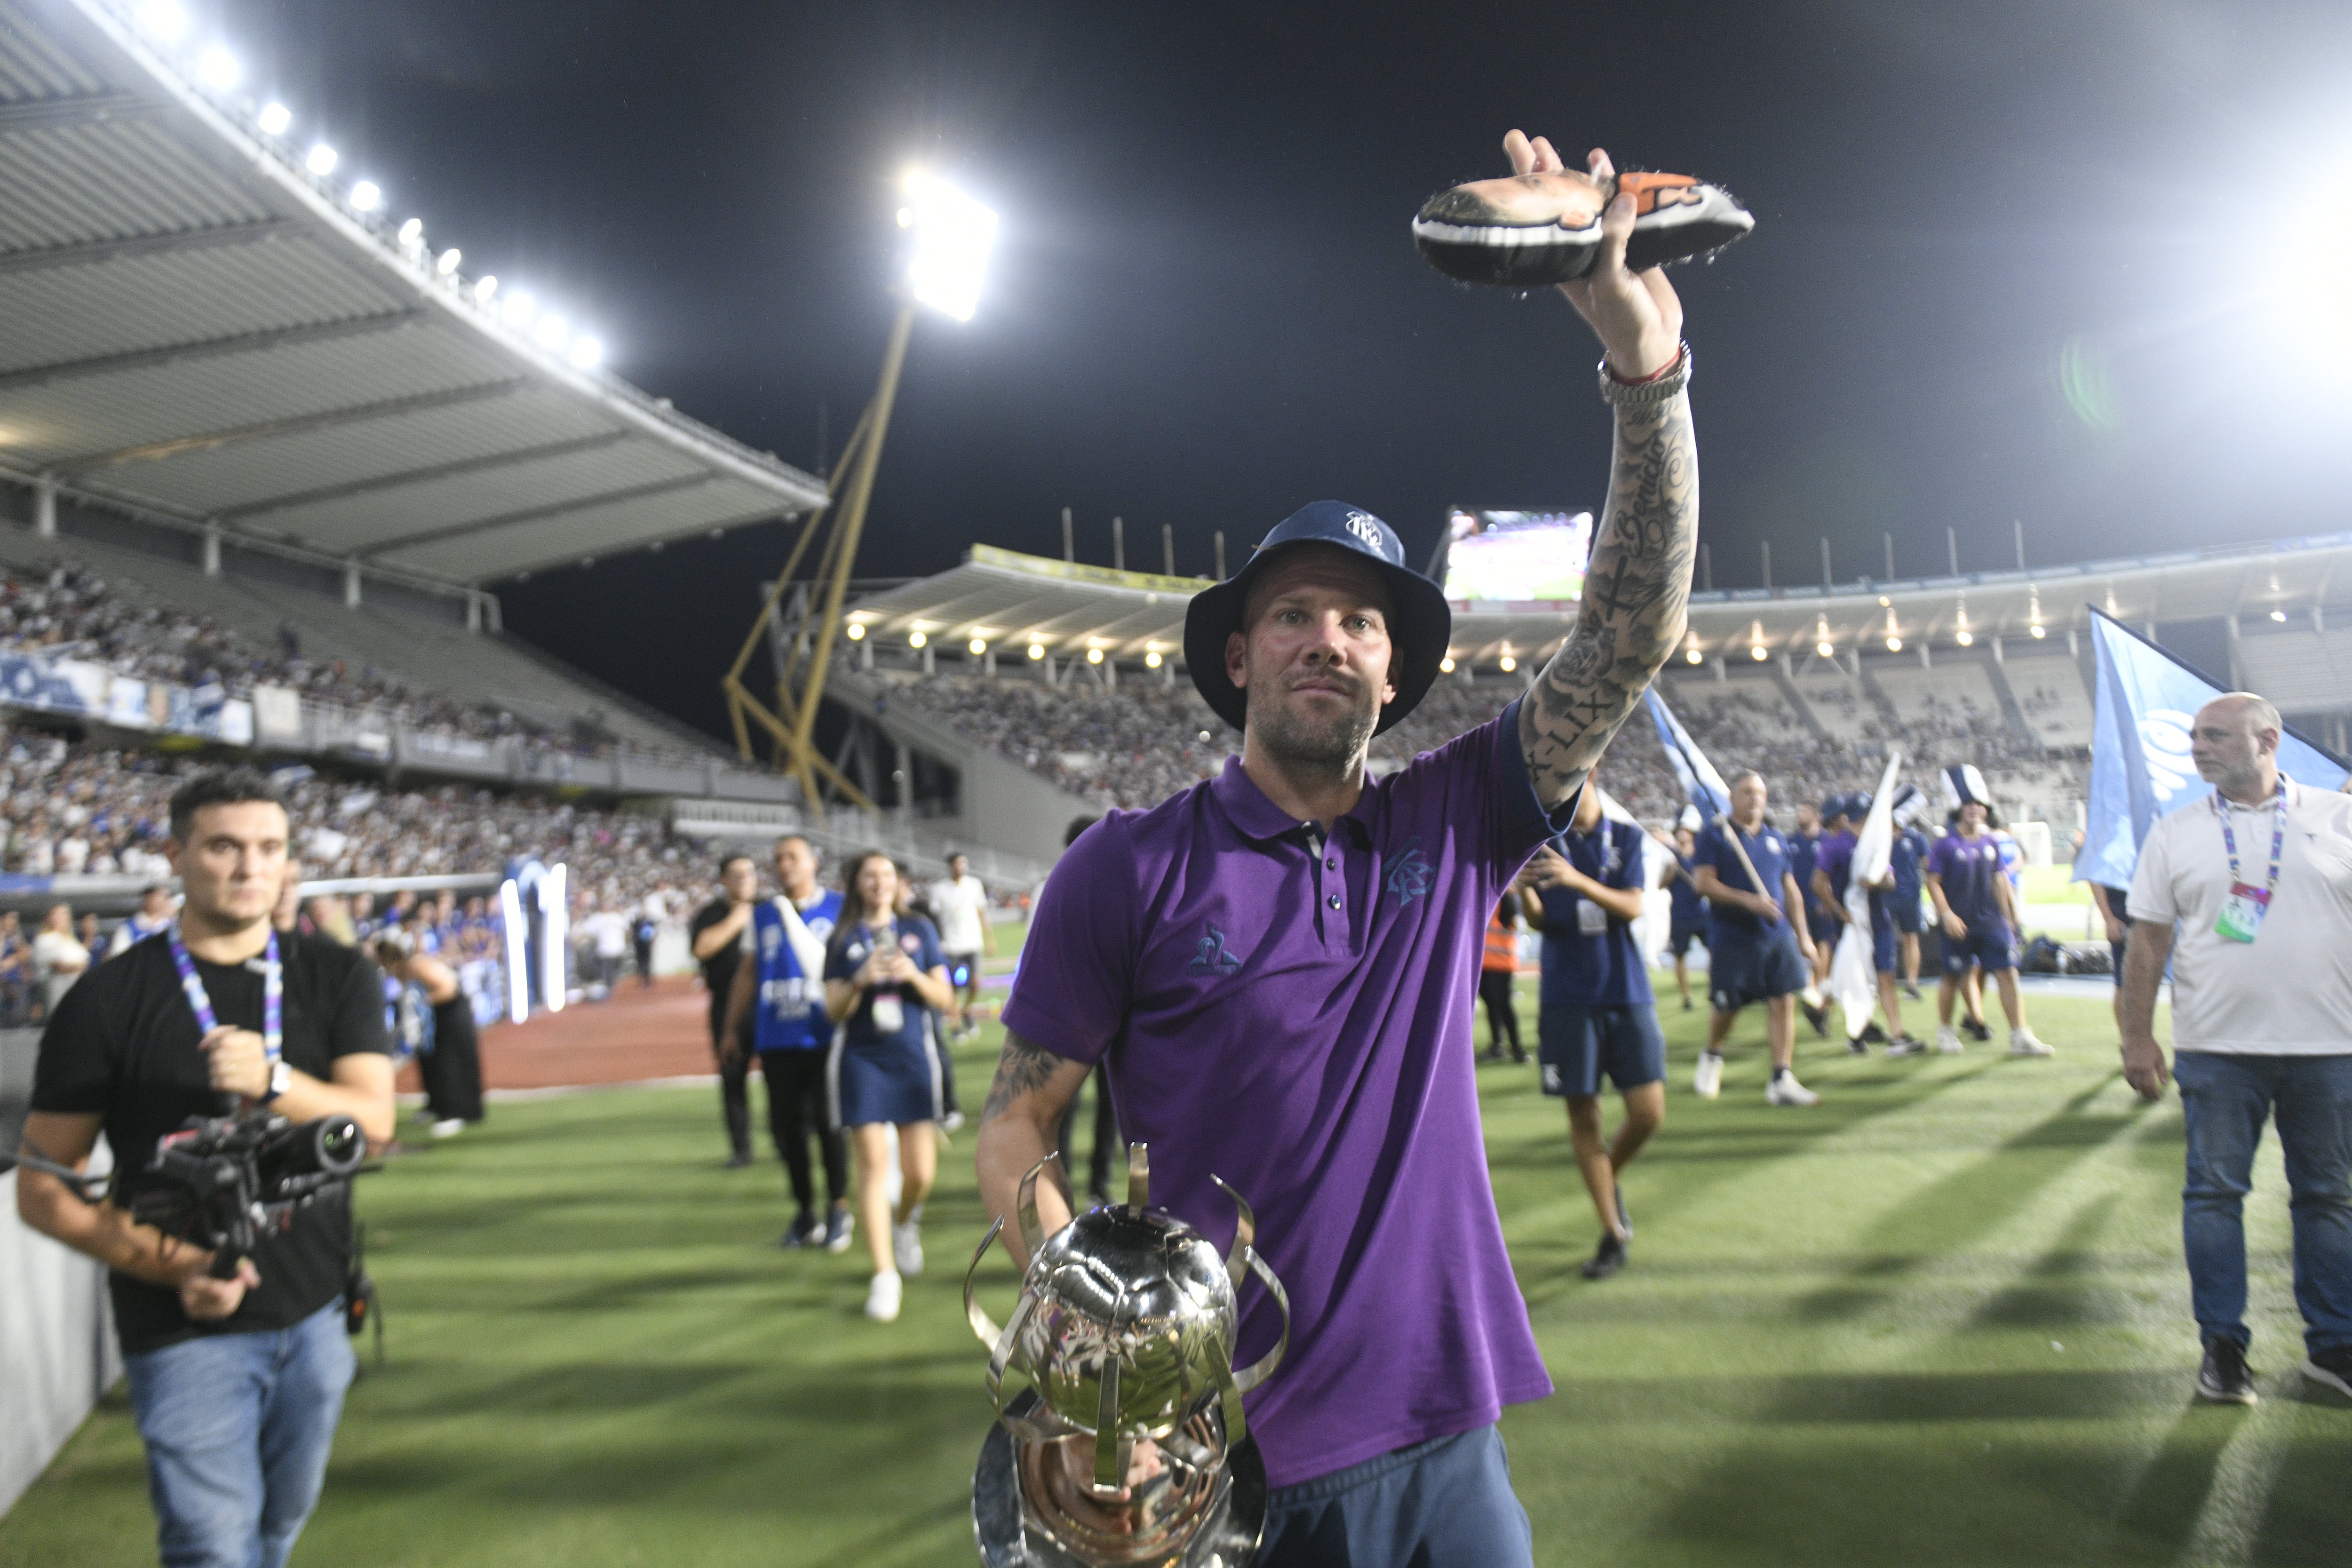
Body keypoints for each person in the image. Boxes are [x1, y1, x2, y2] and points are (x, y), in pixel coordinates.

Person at [976, 130, 1695, 1567]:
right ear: (1238, 653)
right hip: (1219, 1455)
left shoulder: (1457, 815)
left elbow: (1628, 639)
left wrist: (1645, 379)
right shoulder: (1122, 867)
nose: (1329, 636)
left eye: (1361, 621)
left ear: (1391, 674)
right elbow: (1013, 1125)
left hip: (1448, 1437)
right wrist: (1082, 1305)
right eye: (1296, 612)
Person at [14, 768, 395, 1568]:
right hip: (184, 1328)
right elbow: (43, 1187)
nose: (251, 867)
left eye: (269, 848)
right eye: (224, 845)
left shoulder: (337, 973)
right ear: (177, 854)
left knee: (276, 1529)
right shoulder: (106, 1000)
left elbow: (376, 1122)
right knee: (211, 1547)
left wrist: (276, 1081)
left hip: (318, 1309)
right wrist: (180, 1265)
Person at [2118, 692, 2352, 1405]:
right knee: (2215, 1196)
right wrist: (2135, 1035)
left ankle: (2335, 1344)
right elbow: (2148, 941)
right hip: (2217, 1046)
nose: (2198, 747)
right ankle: (2222, 1345)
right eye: (2194, 736)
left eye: (2215, 735)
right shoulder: (2175, 832)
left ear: (2268, 739)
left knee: (2330, 1198)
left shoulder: (2339, 815)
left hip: (2331, 1045)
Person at [1517, 778, 1663, 1281]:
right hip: (1566, 996)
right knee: (1584, 1115)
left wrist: (1576, 880)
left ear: (1591, 778)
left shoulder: (1624, 836)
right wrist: (1521, 894)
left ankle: (1604, 1177)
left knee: (1648, 1113)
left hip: (1626, 989)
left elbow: (1632, 907)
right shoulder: (1540, 840)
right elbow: (1540, 921)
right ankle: (1611, 1232)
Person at [823, 850, 953, 1323]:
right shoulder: (843, 937)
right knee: (874, 1167)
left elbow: (945, 998)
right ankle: (884, 1276)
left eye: (886, 874)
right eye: (868, 875)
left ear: (898, 881)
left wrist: (913, 975)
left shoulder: (919, 930)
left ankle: (904, 1225)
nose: (878, 882)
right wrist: (859, 979)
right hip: (861, 1061)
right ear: (856, 884)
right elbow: (832, 1009)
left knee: (920, 1174)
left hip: (912, 1059)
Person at [723, 836, 852, 1250]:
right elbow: (747, 972)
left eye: (792, 857)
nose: (784, 865)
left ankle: (838, 1207)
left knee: (830, 1125)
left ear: (813, 861)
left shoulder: (839, 907)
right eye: (778, 858)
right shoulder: (762, 915)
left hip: (825, 1035)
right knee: (787, 1133)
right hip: (777, 1038)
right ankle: (804, 1214)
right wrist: (731, 1028)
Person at [1688, 772, 1823, 1106]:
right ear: (1732, 797)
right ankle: (1713, 1052)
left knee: (1783, 1001)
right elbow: (1703, 883)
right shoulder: (1715, 835)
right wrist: (1749, 901)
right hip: (1734, 935)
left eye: (1761, 793)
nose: (1755, 799)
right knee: (1728, 1005)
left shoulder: (1777, 838)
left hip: (1777, 935)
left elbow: (1790, 889)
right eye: (1747, 792)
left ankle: (1781, 1078)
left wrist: (1804, 936)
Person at [1925, 772, 2050, 1058]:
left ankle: (2020, 1035)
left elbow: (1999, 880)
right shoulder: (1945, 844)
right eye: (1969, 803)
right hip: (1958, 923)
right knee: (1953, 976)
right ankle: (1945, 1031)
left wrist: (2011, 915)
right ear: (1959, 807)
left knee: (2008, 973)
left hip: (1992, 922)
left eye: (1979, 804)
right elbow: (1932, 881)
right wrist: (1946, 915)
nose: (1975, 808)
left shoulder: (1990, 842)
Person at [1050, 815, 1120, 1207]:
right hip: (1070, 1021)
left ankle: (1097, 1182)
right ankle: (1072, 1186)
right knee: (1065, 1108)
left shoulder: (1123, 889)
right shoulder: (1055, 889)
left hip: (1105, 1022)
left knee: (1109, 1108)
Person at [374, 925, 485, 1137]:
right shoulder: (401, 969)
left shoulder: (415, 965)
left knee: (449, 1061)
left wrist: (420, 1003)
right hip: (434, 1015)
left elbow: (448, 988)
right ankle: (436, 1105)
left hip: (450, 1012)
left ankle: (455, 1112)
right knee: (430, 1060)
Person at [689, 855, 761, 1167]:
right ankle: (741, 1149)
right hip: (726, 1007)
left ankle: (789, 1142)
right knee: (732, 1079)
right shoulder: (711, 914)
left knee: (784, 1077)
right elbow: (702, 948)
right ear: (723, 880)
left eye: (749, 873)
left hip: (769, 1005)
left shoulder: (772, 908)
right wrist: (737, 919)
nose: (744, 879)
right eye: (736, 874)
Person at [929, 852, 995, 1039]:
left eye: (963, 863)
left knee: (976, 984)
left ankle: (967, 1011)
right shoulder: (940, 889)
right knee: (955, 989)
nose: (960, 867)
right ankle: (956, 1027)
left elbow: (982, 912)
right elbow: (934, 918)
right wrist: (938, 941)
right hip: (952, 945)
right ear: (950, 866)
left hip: (973, 942)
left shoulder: (974, 885)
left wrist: (990, 938)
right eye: (957, 864)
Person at [1662, 820, 1708, 1011]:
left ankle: (1717, 989)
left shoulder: (1700, 855)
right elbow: (1661, 884)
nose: (1683, 834)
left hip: (1701, 912)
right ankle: (1686, 997)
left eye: (1686, 831)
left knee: (1714, 948)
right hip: (1680, 914)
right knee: (1680, 956)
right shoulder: (1670, 857)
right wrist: (1671, 871)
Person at [1891, 795, 1932, 999]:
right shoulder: (1880, 837)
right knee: (1883, 940)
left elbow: (1928, 866)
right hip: (1886, 896)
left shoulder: (1916, 838)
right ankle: (1882, 983)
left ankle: (1911, 984)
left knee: (1911, 939)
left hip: (1911, 896)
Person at [1479, 897, 1528, 1063]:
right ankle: (1498, 1046)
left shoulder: (1506, 898)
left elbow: (1515, 923)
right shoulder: (1486, 897)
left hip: (1501, 962)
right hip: (1485, 962)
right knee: (1492, 1005)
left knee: (1504, 1005)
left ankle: (1518, 1049)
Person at [32, 901, 89, 1018]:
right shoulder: (45, 940)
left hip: (77, 991)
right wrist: (77, 967)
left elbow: (83, 961)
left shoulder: (71, 940)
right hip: (57, 991)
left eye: (64, 914)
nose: (62, 918)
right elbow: (59, 967)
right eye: (57, 914)